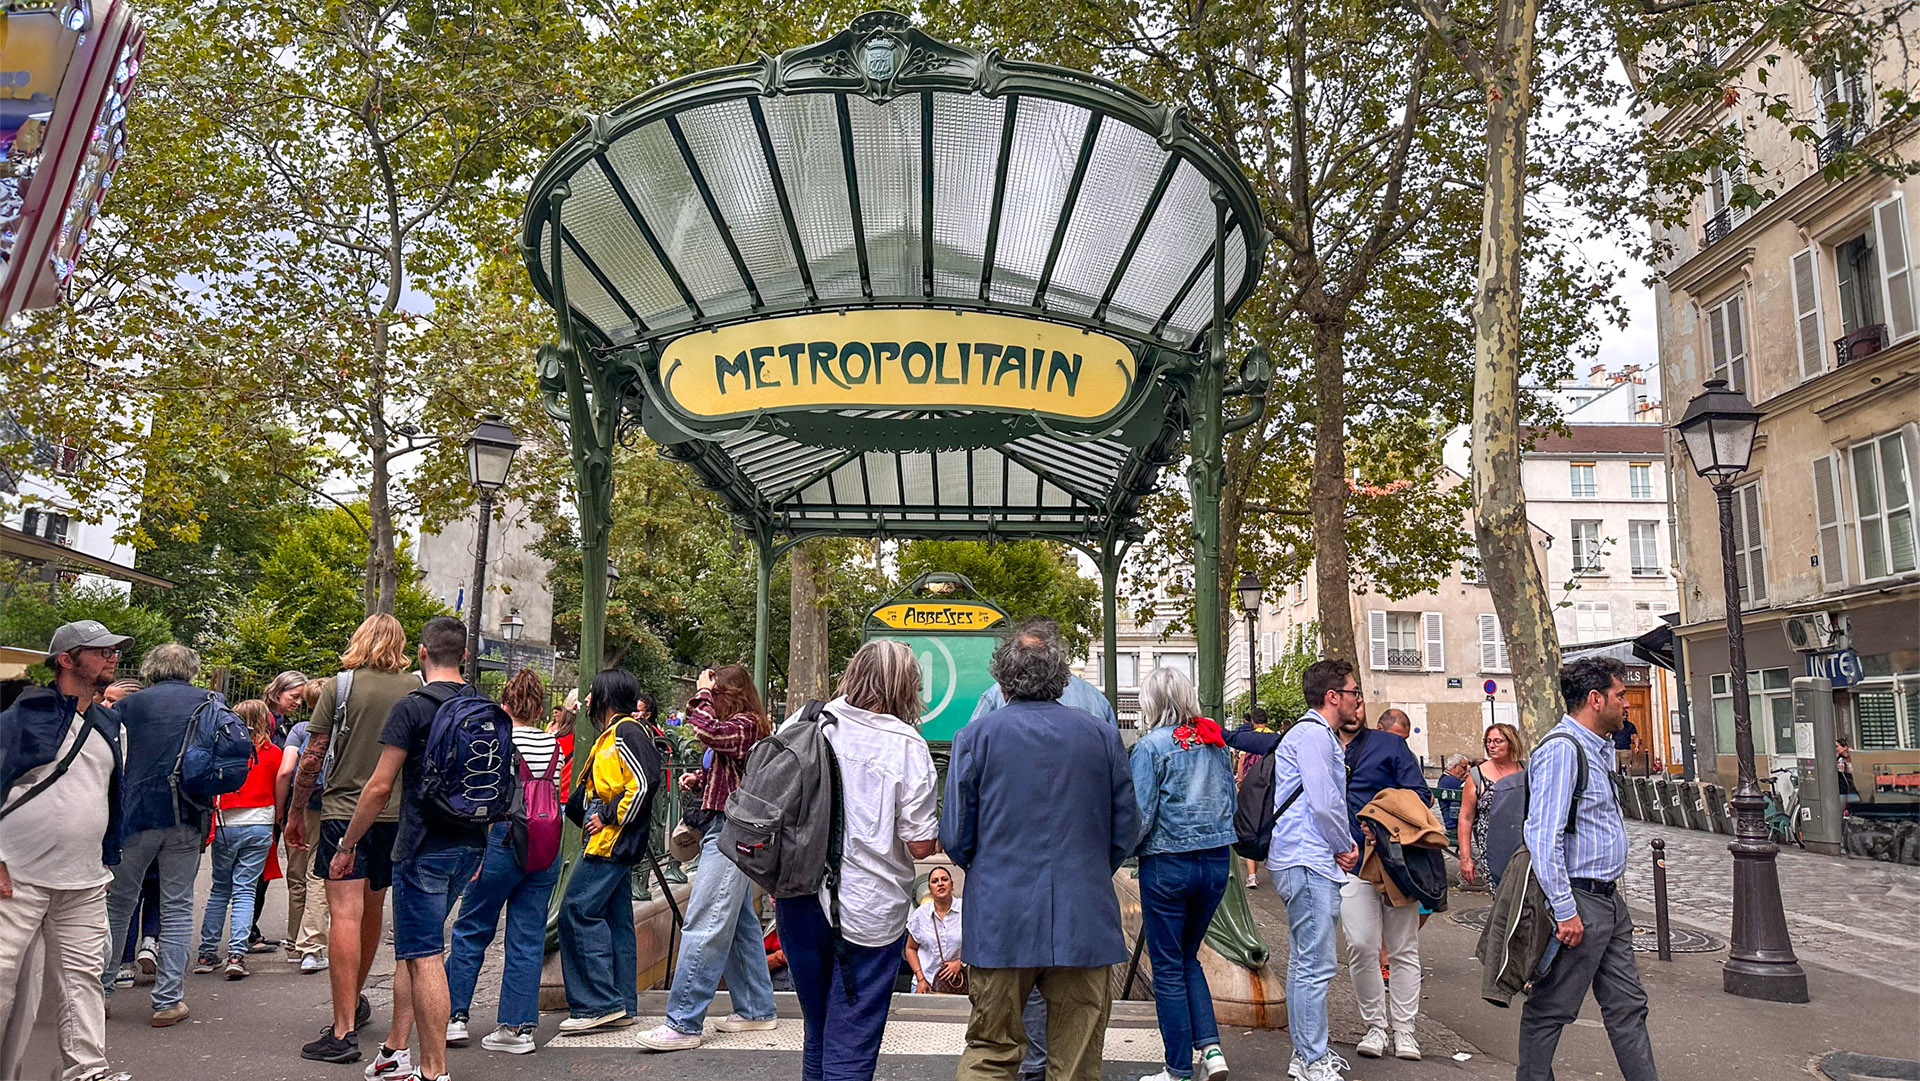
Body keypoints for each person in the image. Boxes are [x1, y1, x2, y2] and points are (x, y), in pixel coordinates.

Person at [944, 620, 1139, 1081]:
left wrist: (990, 868)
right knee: (1075, 1062)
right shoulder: (1102, 735)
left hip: (1000, 917)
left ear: (1003, 677)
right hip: (1085, 914)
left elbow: (954, 834)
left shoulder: (975, 738)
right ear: (1060, 675)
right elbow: (1126, 828)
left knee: (991, 1050)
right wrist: (1089, 868)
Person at [328, 615, 491, 1081]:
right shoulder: (480, 703)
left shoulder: (413, 705)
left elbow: (379, 788)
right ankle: (395, 1050)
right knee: (414, 949)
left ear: (422, 654)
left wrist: (348, 843)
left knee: (424, 957)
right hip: (470, 843)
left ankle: (433, 1069)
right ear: (463, 655)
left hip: (422, 846)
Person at [774, 640, 940, 1081]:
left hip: (799, 898)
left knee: (819, 1028)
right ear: (906, 687)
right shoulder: (907, 745)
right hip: (868, 911)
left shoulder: (808, 718)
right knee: (851, 1039)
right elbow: (920, 845)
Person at [0, 619, 133, 1081]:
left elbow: (110, 794)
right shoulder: (26, 712)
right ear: (66, 659)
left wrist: (107, 855)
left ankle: (88, 1070)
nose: (112, 657)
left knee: (84, 981)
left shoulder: (110, 721)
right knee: (2, 980)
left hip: (84, 877)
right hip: (17, 876)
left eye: (115, 651)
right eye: (101, 651)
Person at [1517, 657, 1657, 1081]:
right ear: (1595, 700)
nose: (1627, 705)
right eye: (1619, 696)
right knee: (1551, 1009)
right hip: (1578, 901)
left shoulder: (1597, 750)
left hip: (1607, 902)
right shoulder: (1563, 750)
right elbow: (1543, 837)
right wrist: (1564, 910)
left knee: (1628, 1005)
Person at [293, 614, 421, 1066]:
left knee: (343, 913)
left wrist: (294, 811)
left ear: (359, 639)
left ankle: (343, 1027)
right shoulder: (416, 687)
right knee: (372, 909)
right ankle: (358, 997)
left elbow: (312, 757)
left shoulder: (340, 686)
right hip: (396, 815)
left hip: (344, 813)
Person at [637, 664, 780, 1052]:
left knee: (705, 920)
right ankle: (756, 1009)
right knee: (738, 924)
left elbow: (710, 732)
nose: (709, 703)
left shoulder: (747, 723)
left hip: (733, 831)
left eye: (716, 696)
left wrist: (702, 692)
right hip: (728, 824)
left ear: (730, 694)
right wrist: (698, 779)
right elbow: (733, 771)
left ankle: (683, 1022)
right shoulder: (742, 725)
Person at [448, 668, 567, 1055]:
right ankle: (517, 1029)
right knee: (527, 936)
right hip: (544, 846)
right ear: (540, 706)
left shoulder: (498, 740)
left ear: (506, 702)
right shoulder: (555, 746)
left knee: (472, 928)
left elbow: (483, 796)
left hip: (500, 840)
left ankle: (452, 1016)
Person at [1129, 667, 1236, 1081]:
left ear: (1151, 703)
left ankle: (1177, 1068)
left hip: (1168, 865)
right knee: (1188, 957)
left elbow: (1141, 816)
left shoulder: (1151, 748)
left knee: (1168, 966)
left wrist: (1121, 852)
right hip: (1214, 864)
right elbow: (1229, 803)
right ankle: (1211, 1051)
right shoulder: (1215, 744)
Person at [100, 644, 208, 1027]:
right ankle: (167, 1000)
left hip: (136, 813)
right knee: (177, 906)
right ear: (191, 669)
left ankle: (102, 992)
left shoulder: (130, 706)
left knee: (119, 904)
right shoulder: (210, 701)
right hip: (190, 814)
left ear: (150, 669)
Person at [1269, 659, 1362, 1081]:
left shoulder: (1310, 734)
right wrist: (1345, 846)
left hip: (1300, 857)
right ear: (1333, 697)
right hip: (1308, 858)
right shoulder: (1314, 736)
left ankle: (1305, 1053)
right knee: (1316, 964)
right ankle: (1311, 1058)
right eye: (1353, 692)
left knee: (1306, 961)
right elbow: (1324, 802)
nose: (1358, 700)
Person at [555, 669, 659, 1036]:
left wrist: (609, 815)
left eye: (591, 693)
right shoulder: (626, 731)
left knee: (576, 910)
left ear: (606, 697)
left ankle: (599, 1003)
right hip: (614, 836)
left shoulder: (625, 731)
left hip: (609, 840)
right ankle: (620, 1004)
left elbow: (645, 782)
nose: (585, 701)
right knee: (616, 921)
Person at [1333, 705, 1431, 1061]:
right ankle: (1375, 1026)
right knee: (1360, 944)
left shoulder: (1390, 746)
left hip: (1394, 861)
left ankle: (1405, 1030)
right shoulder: (1320, 743)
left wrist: (1382, 817)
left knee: (1403, 947)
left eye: (1358, 700)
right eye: (1348, 699)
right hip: (1349, 862)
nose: (1354, 708)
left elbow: (1421, 794)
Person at [193, 699, 282, 980]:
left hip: (226, 821)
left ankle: (207, 952)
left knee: (220, 888)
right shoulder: (273, 753)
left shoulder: (224, 751)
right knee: (246, 889)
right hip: (260, 822)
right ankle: (237, 954)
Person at [277, 678, 332, 973]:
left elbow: (286, 771)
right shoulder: (341, 731)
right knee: (317, 874)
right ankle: (311, 946)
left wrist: (283, 811)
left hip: (303, 805)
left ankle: (292, 942)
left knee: (296, 874)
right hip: (332, 807)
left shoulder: (300, 730)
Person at [1457, 723, 1526, 888]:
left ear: (1511, 743)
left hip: (1524, 843)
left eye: (1497, 741)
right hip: (1493, 847)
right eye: (1488, 741)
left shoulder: (1526, 770)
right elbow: (1465, 817)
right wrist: (1466, 858)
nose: (1491, 746)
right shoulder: (1477, 776)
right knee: (1501, 895)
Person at [905, 867, 963, 994]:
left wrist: (961, 962)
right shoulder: (921, 914)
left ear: (952, 884)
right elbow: (910, 949)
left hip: (959, 984)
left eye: (944, 879)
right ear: (930, 888)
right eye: (935, 881)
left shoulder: (965, 909)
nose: (940, 883)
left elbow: (979, 944)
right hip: (926, 985)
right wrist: (921, 979)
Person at [1435, 755, 1469, 834]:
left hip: (1452, 820)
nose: (1465, 771)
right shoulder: (1450, 781)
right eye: (1464, 768)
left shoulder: (1445, 778)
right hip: (1454, 822)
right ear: (1455, 767)